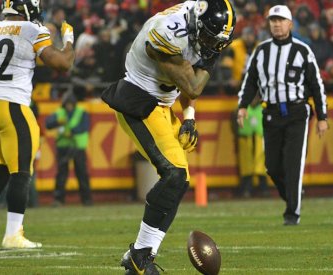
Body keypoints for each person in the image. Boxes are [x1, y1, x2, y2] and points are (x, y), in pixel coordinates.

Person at [101, 1, 236, 273]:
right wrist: (211, 59)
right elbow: (193, 85)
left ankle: (140, 255)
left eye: (219, 40)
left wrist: (189, 117)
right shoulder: (167, 33)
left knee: (179, 179)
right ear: (197, 24)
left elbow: (188, 76)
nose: (213, 45)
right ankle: (139, 256)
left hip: (162, 103)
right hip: (138, 100)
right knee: (173, 175)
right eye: (210, 36)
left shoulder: (196, 22)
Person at [0, 0, 75, 248]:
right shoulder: (32, 30)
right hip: (13, 107)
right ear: (29, 10)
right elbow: (63, 64)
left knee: (5, 166)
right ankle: (13, 234)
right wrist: (69, 41)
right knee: (22, 172)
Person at [237, 5, 329, 226]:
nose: (276, 24)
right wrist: (242, 106)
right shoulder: (261, 51)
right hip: (271, 112)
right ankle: (293, 196)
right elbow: (250, 81)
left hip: (297, 112)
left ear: (290, 24)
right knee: (272, 166)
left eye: (281, 20)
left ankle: (292, 214)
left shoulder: (303, 50)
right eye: (273, 20)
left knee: (293, 164)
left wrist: (322, 116)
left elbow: (316, 84)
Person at [45, 91, 92, 206]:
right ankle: (58, 199)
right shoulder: (60, 113)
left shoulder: (82, 113)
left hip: (77, 147)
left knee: (81, 173)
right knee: (61, 174)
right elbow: (48, 123)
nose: (69, 106)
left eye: (70, 104)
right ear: (64, 104)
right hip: (64, 147)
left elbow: (84, 127)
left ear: (74, 104)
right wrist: (57, 122)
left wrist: (71, 132)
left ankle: (86, 199)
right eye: (67, 104)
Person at [236, 97, 268, 198]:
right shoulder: (243, 108)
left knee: (261, 165)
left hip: (260, 139)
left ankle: (263, 189)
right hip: (246, 139)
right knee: (246, 165)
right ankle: (246, 189)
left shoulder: (263, 108)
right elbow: (234, 121)